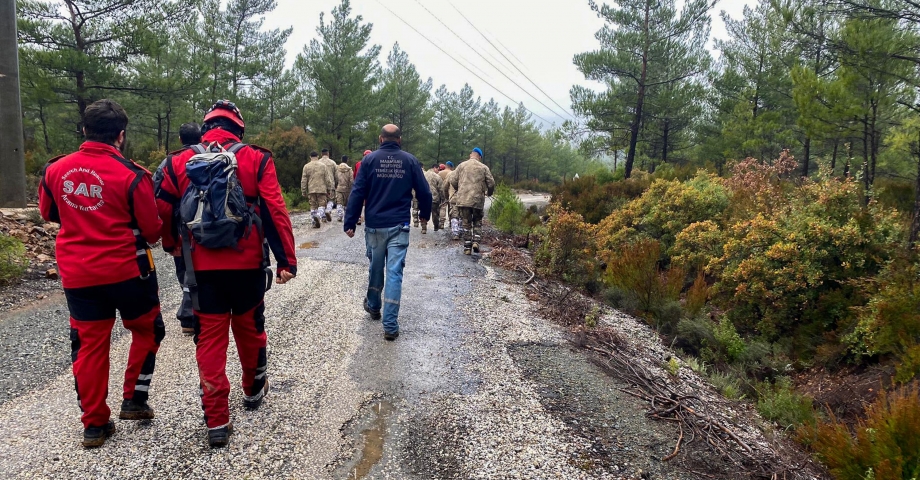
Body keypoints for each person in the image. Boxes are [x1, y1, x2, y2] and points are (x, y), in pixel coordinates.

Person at [156, 100, 298, 448]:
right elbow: (274, 210)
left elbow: (162, 208)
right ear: (239, 128)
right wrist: (286, 261)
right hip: (247, 264)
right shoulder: (256, 158)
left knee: (210, 341)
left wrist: (172, 243)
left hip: (200, 270)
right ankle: (252, 390)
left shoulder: (178, 161)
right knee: (251, 331)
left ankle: (217, 420)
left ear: (206, 128)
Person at [38, 99, 164, 448]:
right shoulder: (133, 175)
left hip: (78, 273)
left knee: (89, 344)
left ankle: (94, 424)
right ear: (120, 136)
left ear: (84, 130)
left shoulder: (54, 171)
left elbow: (48, 213)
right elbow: (152, 230)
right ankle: (134, 400)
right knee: (147, 328)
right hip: (128, 271)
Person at [344, 125, 432, 341]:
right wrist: (424, 214)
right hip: (399, 226)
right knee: (394, 273)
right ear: (399, 140)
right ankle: (390, 325)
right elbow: (425, 192)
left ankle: (374, 306)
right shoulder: (410, 161)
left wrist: (350, 221)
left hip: (375, 226)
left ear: (381, 139)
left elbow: (358, 192)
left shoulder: (369, 160)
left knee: (375, 267)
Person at [154, 122, 202, 336]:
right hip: (207, 225)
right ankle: (196, 313)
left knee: (185, 271)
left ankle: (189, 315)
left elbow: (161, 205)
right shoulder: (210, 156)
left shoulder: (170, 163)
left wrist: (168, 240)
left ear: (180, 139)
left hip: (181, 229)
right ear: (200, 137)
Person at [449, 147, 495, 255]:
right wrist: (489, 193)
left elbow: (452, 180)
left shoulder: (461, 166)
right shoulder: (484, 167)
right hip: (477, 200)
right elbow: (491, 183)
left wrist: (458, 188)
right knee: (477, 221)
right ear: (479, 156)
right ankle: (476, 242)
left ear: (471, 155)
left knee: (466, 223)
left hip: (463, 199)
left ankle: (467, 247)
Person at [302, 151, 333, 228]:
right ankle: (318, 216)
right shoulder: (323, 166)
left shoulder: (306, 166)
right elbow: (328, 179)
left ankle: (313, 222)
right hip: (321, 189)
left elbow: (304, 180)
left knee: (313, 205)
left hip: (311, 189)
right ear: (318, 156)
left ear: (310, 157)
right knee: (322, 205)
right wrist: (329, 189)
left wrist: (303, 190)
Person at [422, 163, 444, 234]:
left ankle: (424, 228)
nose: (438, 171)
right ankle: (436, 227)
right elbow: (441, 189)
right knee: (435, 213)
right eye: (438, 169)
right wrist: (443, 198)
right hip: (434, 197)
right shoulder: (437, 177)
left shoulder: (423, 175)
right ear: (435, 168)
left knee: (423, 212)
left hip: (424, 197)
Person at [353, 149, 372, 225]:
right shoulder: (374, 164)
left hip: (360, 186)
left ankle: (358, 218)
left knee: (358, 202)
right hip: (369, 187)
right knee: (369, 203)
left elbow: (355, 176)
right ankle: (368, 217)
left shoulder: (358, 164)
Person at [319, 148, 337, 221]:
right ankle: (328, 210)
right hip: (331, 184)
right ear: (328, 154)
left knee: (322, 202)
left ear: (321, 154)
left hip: (321, 185)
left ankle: (323, 217)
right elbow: (336, 175)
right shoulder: (333, 163)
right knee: (331, 200)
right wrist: (336, 184)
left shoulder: (318, 162)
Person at [437, 161, 455, 234]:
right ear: (451, 166)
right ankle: (451, 222)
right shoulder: (453, 173)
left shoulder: (440, 173)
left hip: (442, 192)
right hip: (451, 192)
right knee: (451, 208)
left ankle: (441, 223)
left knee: (443, 208)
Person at [335, 155, 354, 222]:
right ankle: (347, 216)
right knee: (347, 203)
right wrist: (351, 187)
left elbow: (335, 178)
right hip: (347, 189)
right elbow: (351, 180)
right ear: (347, 160)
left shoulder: (337, 169)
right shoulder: (349, 169)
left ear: (341, 160)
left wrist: (336, 185)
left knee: (339, 203)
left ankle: (340, 216)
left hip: (339, 188)